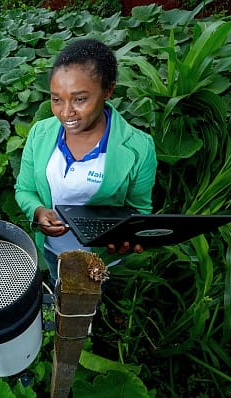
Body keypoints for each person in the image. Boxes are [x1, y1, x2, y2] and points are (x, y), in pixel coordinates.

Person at [15, 38, 157, 285]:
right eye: (56, 99)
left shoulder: (138, 148)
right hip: (53, 250)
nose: (66, 112)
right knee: (62, 295)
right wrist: (38, 211)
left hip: (102, 259)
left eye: (80, 99)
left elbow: (139, 210)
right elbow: (24, 189)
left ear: (108, 90)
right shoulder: (40, 133)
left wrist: (125, 238)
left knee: (97, 302)